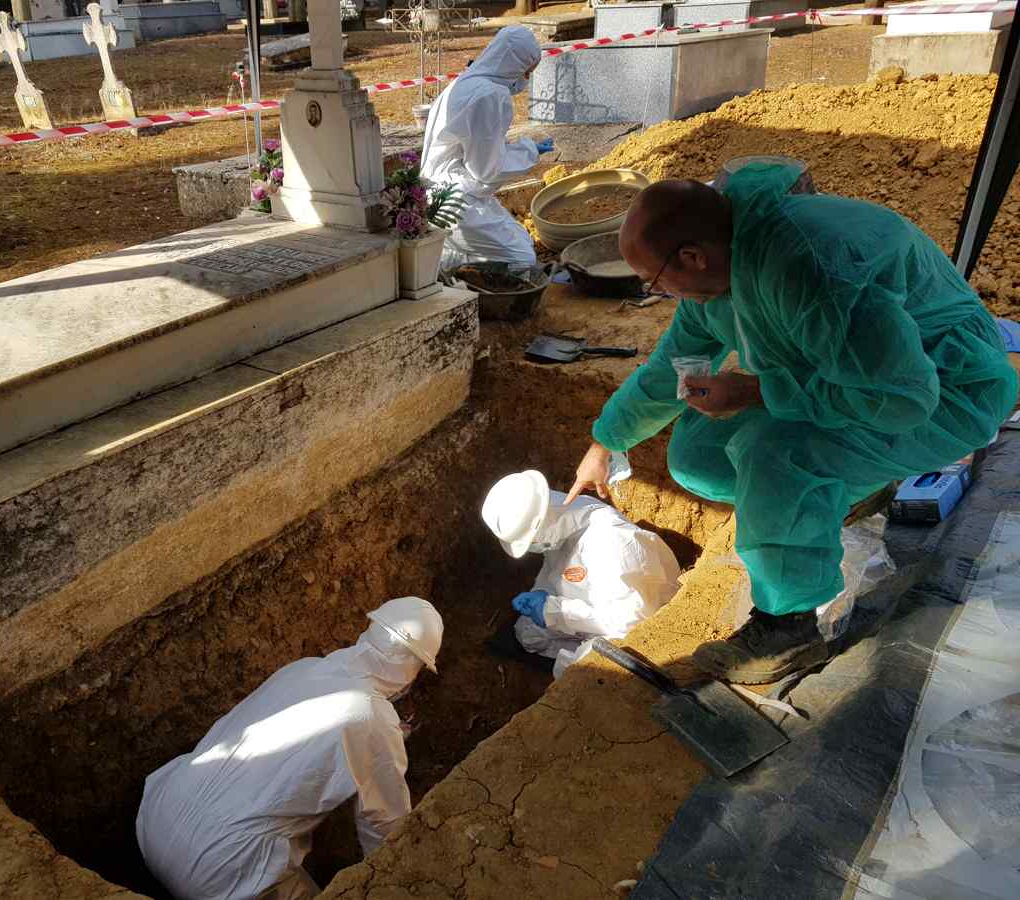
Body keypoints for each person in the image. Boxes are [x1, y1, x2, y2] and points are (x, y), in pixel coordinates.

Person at [568, 165, 1018, 684]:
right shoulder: (721, 272)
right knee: (698, 452)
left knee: (774, 449)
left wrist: (757, 390)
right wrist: (606, 442)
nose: (663, 293)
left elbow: (900, 399)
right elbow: (668, 368)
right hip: (853, 381)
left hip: (948, 393)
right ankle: (848, 491)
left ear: (692, 257)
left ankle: (787, 627)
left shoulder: (811, 269)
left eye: (657, 281)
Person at [135, 597, 444, 900]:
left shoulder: (303, 668)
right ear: (413, 666)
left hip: (156, 818)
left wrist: (381, 738)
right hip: (221, 873)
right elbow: (386, 825)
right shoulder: (372, 717)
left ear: (370, 629)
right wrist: (393, 881)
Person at [482, 470, 681, 676]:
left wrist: (554, 611)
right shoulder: (562, 527)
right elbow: (556, 571)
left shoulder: (616, 543)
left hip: (633, 627)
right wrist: (541, 594)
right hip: (587, 612)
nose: (532, 547)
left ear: (540, 523)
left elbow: (632, 622)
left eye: (530, 541)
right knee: (528, 633)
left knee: (580, 671)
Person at [419, 26, 554, 269]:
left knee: (522, 238)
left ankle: (442, 265)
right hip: (456, 199)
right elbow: (486, 172)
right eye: (527, 72)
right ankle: (448, 275)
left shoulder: (468, 81)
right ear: (514, 65)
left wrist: (519, 149)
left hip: (442, 194)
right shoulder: (491, 95)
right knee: (521, 260)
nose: (526, 79)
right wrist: (528, 151)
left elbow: (477, 151)